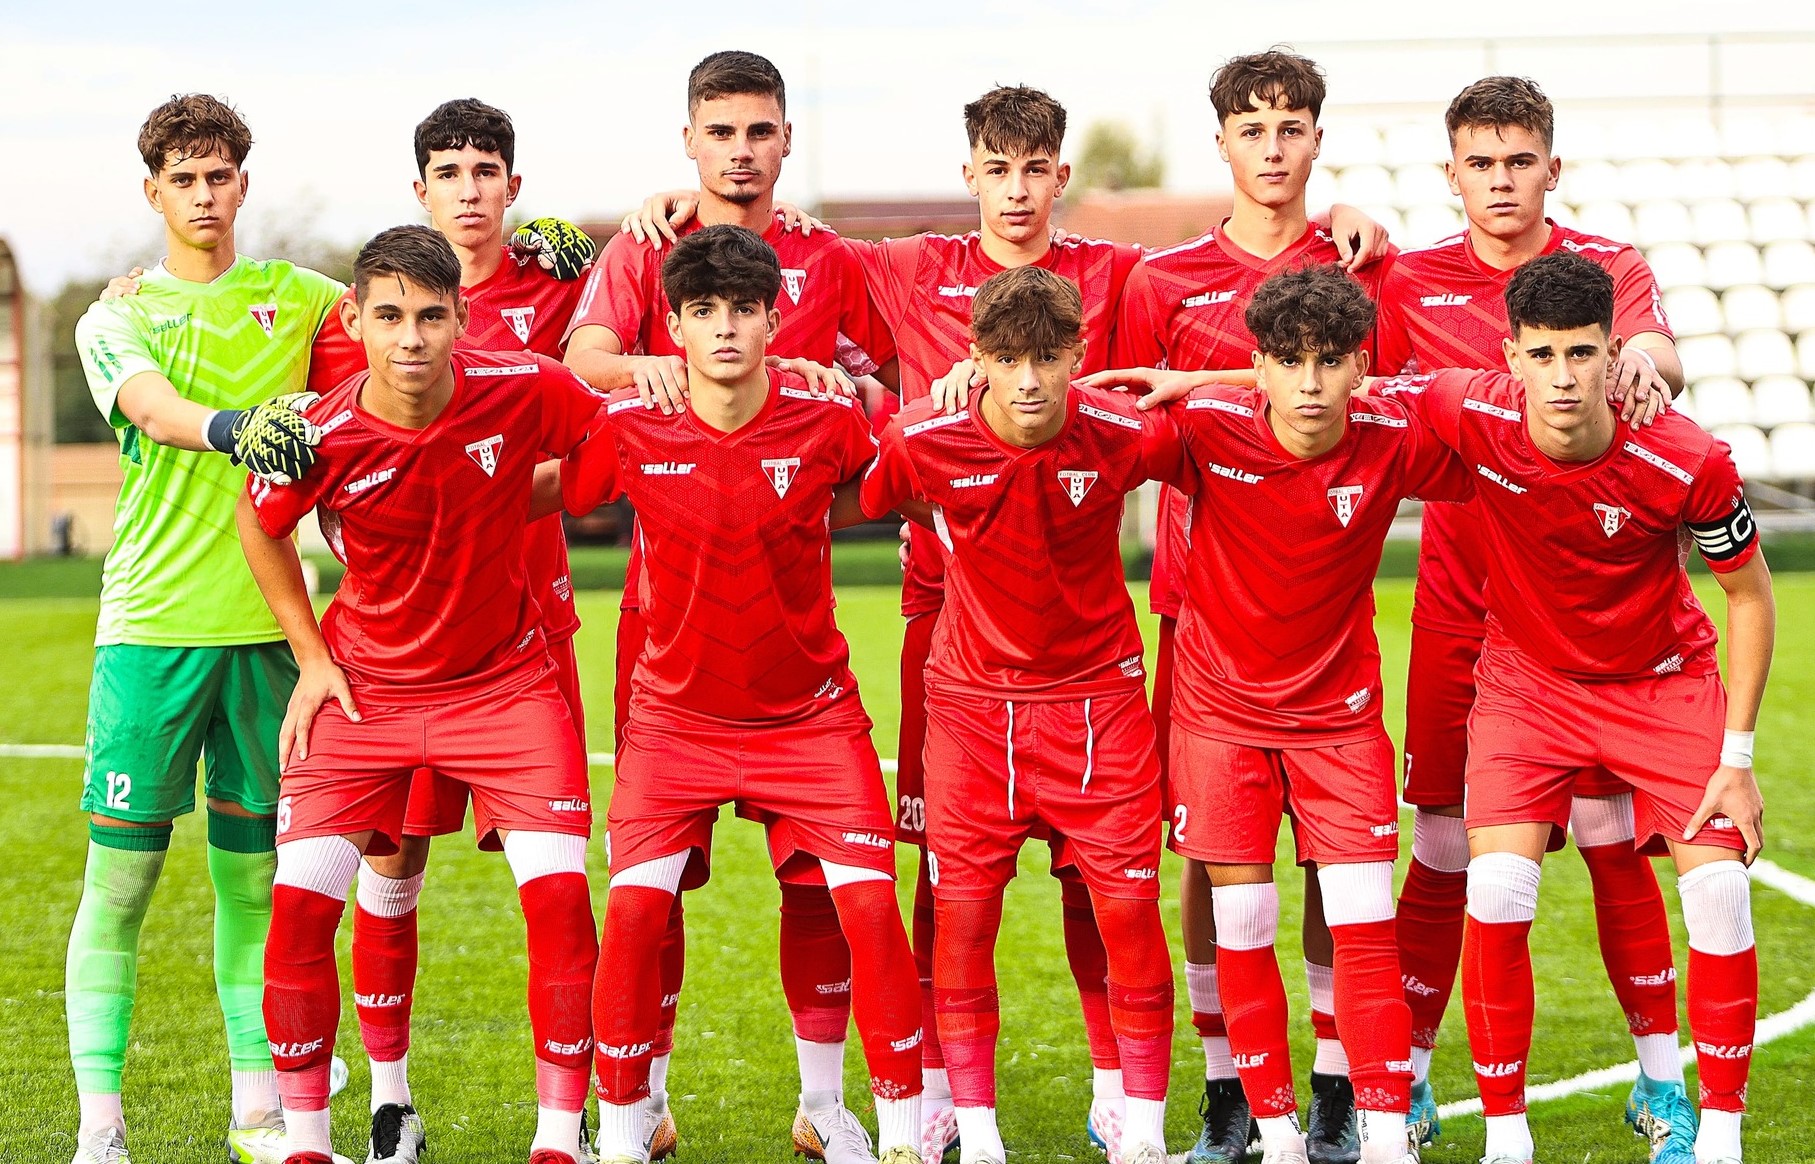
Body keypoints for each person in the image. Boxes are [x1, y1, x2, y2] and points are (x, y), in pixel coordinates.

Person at [562, 51, 897, 1160]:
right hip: (668, 624)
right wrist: (648, 372)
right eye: (721, 132)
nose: (741, 151)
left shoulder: (830, 257)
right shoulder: (643, 243)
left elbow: (885, 385)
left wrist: (840, 388)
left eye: (759, 131)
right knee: (651, 889)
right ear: (690, 142)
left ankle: (825, 1103)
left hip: (791, 618)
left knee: (821, 883)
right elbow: (585, 356)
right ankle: (641, 1102)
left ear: (787, 139)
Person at [1379, 252, 1771, 1164]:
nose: (1562, 376)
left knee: (1719, 892)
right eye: (1543, 354)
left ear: (1612, 353)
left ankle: (1718, 1136)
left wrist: (1737, 761)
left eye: (1583, 352)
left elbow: (1749, 596)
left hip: (1662, 682)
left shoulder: (1687, 457)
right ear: (1509, 356)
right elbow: (1318, 390)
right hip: (1527, 686)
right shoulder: (1468, 406)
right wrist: (1187, 383)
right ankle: (1506, 1141)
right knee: (1494, 887)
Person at [237, 225, 605, 1164]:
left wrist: (514, 493)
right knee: (301, 909)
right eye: (390, 316)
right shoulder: (318, 432)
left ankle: (558, 1141)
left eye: (432, 316)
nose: (410, 338)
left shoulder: (524, 385)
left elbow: (604, 445)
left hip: (506, 687)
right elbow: (258, 521)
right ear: (352, 320)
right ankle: (312, 1142)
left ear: (462, 317)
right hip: (364, 692)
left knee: (562, 903)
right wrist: (310, 656)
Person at [1368, 75, 1689, 1153]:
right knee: (1442, 842)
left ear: (1553, 166)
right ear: (1449, 173)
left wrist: (1637, 360)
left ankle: (1661, 1081)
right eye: (1480, 163)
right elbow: (1347, 386)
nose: (1500, 181)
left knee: (1607, 837)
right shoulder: (1408, 281)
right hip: (1460, 607)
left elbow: (1659, 352)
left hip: (1578, 617)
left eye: (1519, 161)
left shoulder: (1606, 267)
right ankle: (1413, 1076)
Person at [1094, 49, 1394, 1164]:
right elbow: (1134, 412)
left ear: (1318, 138)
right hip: (1200, 602)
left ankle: (1336, 1082)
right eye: (1252, 129)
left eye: (1291, 127)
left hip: (1321, 604)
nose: (1272, 149)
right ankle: (1228, 1084)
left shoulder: (1361, 266)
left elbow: (1373, 399)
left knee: (1332, 858)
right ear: (1220, 142)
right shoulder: (1160, 281)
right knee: (1211, 854)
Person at [68, 92, 342, 1164]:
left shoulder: (299, 296)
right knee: (121, 884)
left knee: (254, 885)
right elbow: (148, 407)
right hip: (151, 634)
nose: (202, 194)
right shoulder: (117, 315)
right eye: (182, 178)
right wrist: (239, 426)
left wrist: (524, 255)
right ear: (154, 192)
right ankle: (101, 1129)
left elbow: (407, 317)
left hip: (269, 635)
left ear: (242, 183)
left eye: (218, 175)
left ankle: (258, 1117)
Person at [859, 265, 1179, 1164]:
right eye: (1007, 360)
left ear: (1078, 354)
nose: (1029, 381)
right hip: (971, 713)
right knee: (961, 923)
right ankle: (978, 1136)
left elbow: (1246, 430)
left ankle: (1142, 1133)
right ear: (975, 359)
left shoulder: (1125, 432)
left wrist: (1198, 377)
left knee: (1128, 915)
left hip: (1099, 707)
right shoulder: (923, 439)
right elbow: (871, 490)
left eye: (1046, 358)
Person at [1150, 265, 1455, 1164]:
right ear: (1259, 367)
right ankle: (1275, 1135)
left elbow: (1514, 414)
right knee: (1242, 922)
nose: (1311, 384)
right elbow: (1061, 418)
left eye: (1330, 361)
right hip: (1220, 716)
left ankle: (1382, 1135)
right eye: (1288, 362)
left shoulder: (1393, 432)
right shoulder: (1203, 426)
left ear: (1361, 366)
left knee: (1363, 924)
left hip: (1340, 720)